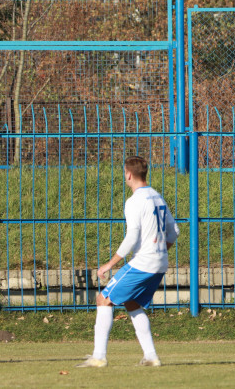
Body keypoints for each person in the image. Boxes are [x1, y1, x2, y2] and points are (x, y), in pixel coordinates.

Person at [77, 156, 179, 369]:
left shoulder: (134, 201)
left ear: (129, 174)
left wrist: (109, 264)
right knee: (132, 304)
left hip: (143, 263)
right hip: (160, 263)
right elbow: (174, 231)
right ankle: (151, 356)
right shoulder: (157, 197)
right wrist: (159, 251)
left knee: (103, 299)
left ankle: (98, 357)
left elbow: (132, 237)